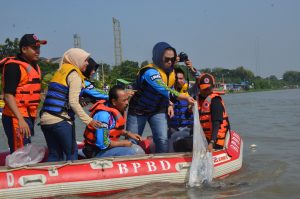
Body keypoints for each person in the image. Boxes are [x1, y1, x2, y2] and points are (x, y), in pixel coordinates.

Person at [126, 42, 195, 153]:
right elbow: (163, 88)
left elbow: (170, 86)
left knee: (162, 140)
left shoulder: (171, 71)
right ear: (158, 58)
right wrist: (183, 96)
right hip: (139, 109)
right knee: (132, 140)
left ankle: (163, 165)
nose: (170, 62)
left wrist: (169, 104)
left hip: (158, 109)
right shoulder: (149, 72)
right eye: (166, 59)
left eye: (172, 59)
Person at [40, 48, 102, 162]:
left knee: (55, 155)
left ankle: (51, 178)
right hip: (60, 120)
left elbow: (64, 98)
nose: (87, 63)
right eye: (85, 60)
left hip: (45, 120)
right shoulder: (75, 76)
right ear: (76, 60)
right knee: (71, 153)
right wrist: (89, 121)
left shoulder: (61, 71)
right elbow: (73, 102)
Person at [0, 34, 46, 153]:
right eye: (34, 48)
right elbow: (8, 95)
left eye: (38, 48)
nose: (38, 51)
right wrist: (20, 119)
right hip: (16, 116)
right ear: (24, 49)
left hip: (27, 116)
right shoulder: (13, 66)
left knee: (25, 149)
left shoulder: (34, 66)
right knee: (19, 151)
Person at [173, 73, 230, 152]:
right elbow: (187, 115)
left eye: (208, 89)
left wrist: (212, 142)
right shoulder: (197, 99)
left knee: (180, 144)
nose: (206, 91)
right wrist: (189, 110)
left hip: (215, 140)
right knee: (179, 142)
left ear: (212, 87)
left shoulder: (215, 101)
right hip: (203, 137)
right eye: (204, 89)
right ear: (199, 88)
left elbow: (217, 123)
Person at [83, 85, 142, 158]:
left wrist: (128, 134)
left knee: (137, 149)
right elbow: (103, 144)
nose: (127, 103)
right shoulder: (103, 116)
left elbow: (113, 129)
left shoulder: (114, 109)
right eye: (124, 100)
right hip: (95, 152)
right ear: (114, 101)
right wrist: (123, 143)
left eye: (127, 99)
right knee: (131, 152)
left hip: (104, 149)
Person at [168, 67, 200, 152]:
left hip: (188, 128)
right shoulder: (169, 92)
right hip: (173, 128)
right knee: (171, 140)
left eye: (181, 78)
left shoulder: (191, 91)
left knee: (182, 138)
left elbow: (199, 81)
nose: (179, 80)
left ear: (185, 79)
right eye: (176, 79)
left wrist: (192, 69)